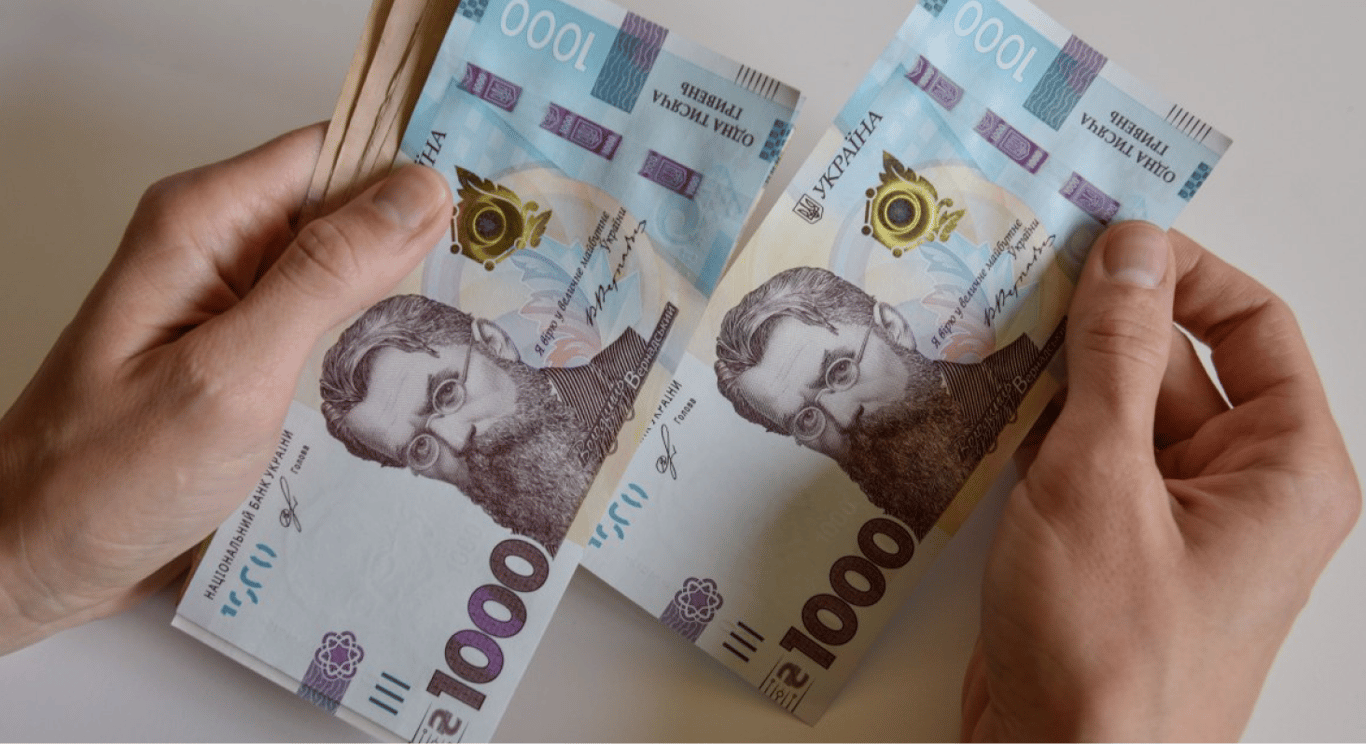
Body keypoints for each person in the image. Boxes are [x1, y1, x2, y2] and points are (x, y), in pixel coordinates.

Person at [0, 125, 1357, 742]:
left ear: (487, 345)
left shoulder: (645, 369)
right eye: (416, 450)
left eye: (440, 402)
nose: (450, 453)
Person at [715, 266, 1046, 538]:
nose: (843, 418)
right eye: (807, 420)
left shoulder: (1045, 372)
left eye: (840, 370)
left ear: (892, 327)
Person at [317, 293, 651, 554]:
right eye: (421, 449)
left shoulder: (650, 357)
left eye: (447, 393)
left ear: (493, 342)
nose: (457, 440)